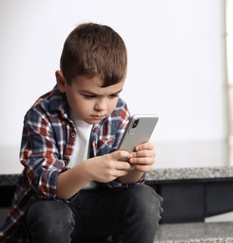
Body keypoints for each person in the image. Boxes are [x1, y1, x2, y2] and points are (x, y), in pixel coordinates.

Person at [0, 23, 163, 243]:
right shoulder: (41, 115)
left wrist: (136, 167)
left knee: (145, 199)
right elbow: (48, 188)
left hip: (100, 208)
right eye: (90, 96)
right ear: (62, 82)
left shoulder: (118, 112)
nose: (103, 107)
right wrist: (86, 170)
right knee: (51, 216)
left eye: (113, 94)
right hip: (56, 210)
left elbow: (123, 182)